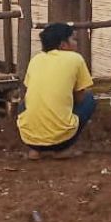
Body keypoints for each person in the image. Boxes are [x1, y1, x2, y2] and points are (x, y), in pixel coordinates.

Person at [17, 22, 96, 160]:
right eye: (73, 39)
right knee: (89, 99)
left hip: (29, 138)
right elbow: (80, 99)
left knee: (24, 104)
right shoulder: (75, 59)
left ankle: (34, 151)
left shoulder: (35, 60)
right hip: (62, 139)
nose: (76, 44)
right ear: (63, 45)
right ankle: (62, 150)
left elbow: (30, 94)